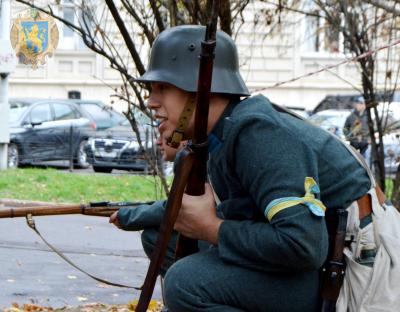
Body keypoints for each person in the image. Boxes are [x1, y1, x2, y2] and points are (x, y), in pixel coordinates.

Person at [111, 25, 373, 311]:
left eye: (163, 87)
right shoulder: (222, 135)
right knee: (161, 239)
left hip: (338, 273)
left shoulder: (258, 135)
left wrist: (211, 228)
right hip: (313, 263)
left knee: (184, 285)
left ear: (201, 90)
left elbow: (303, 246)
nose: (151, 101)